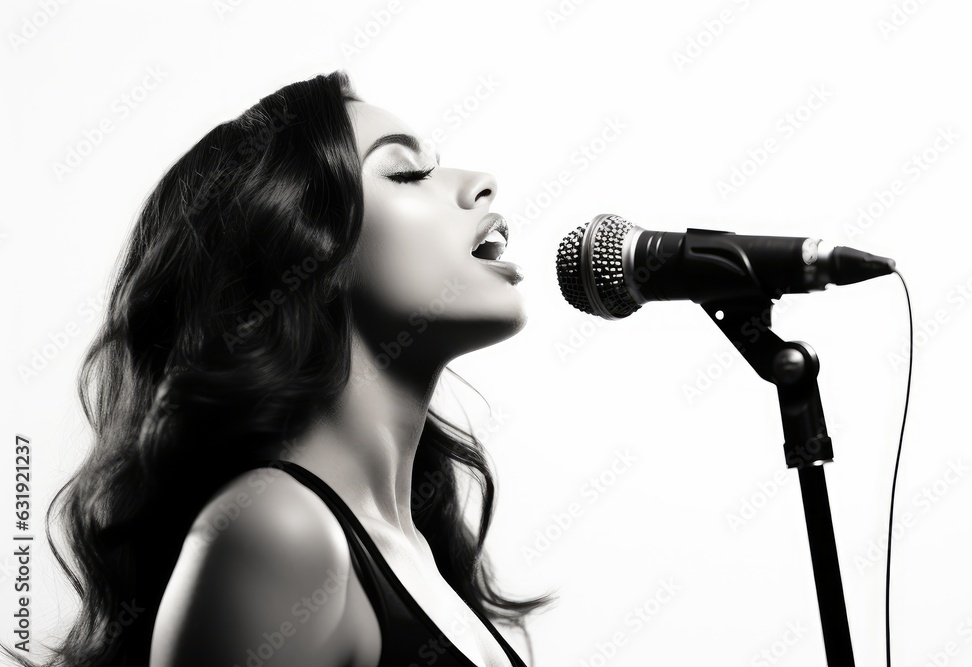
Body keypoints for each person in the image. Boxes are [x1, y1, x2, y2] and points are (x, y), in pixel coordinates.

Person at [0, 70, 556, 667]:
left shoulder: (414, 552)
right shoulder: (279, 530)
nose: (480, 185)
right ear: (303, 249)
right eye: (406, 172)